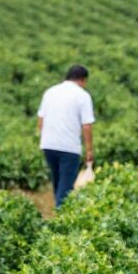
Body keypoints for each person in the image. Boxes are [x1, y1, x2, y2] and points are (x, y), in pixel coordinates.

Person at [37, 64, 95, 208]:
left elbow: (41, 119)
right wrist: (89, 150)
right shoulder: (83, 96)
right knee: (66, 186)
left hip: (48, 144)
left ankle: (58, 212)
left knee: (58, 180)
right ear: (83, 80)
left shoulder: (50, 91)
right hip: (69, 147)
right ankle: (61, 219)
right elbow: (87, 125)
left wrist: (43, 137)